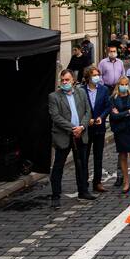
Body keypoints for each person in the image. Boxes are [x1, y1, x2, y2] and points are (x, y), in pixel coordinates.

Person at [48, 69, 95, 207]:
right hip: (64, 135)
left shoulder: (81, 92)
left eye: (67, 80)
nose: (64, 82)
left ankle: (83, 190)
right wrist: (72, 128)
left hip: (81, 133)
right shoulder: (54, 96)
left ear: (73, 80)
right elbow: (56, 117)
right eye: (62, 80)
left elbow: (88, 111)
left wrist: (81, 127)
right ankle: (56, 195)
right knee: (58, 166)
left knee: (82, 163)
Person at [81, 66, 112, 192]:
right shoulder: (81, 90)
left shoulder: (104, 90)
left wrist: (102, 117)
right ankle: (83, 182)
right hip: (86, 128)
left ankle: (97, 182)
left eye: (97, 74)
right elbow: (80, 108)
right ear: (88, 77)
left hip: (99, 127)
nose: (96, 77)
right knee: (84, 156)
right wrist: (86, 120)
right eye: (94, 75)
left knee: (98, 156)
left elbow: (108, 106)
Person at [108, 76, 130, 192]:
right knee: (122, 156)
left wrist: (121, 114)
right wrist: (128, 112)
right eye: (122, 84)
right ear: (118, 85)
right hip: (120, 130)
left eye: (126, 84)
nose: (124, 86)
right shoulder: (113, 98)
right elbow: (113, 116)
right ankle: (126, 181)